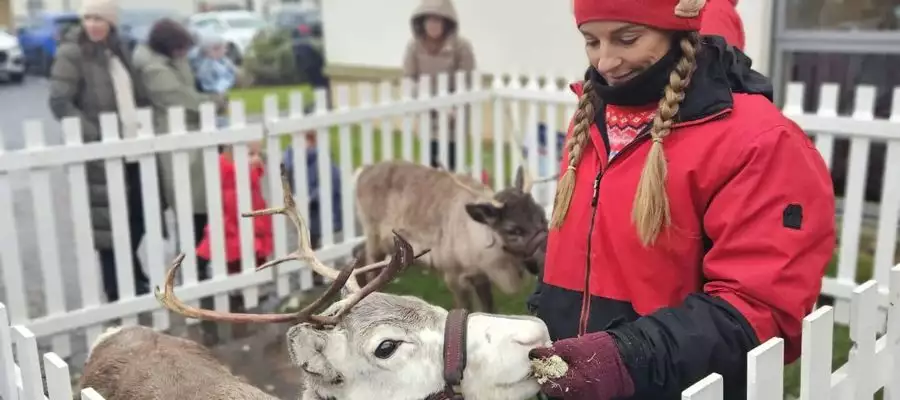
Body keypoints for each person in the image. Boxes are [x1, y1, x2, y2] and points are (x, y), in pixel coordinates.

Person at [526, 1, 836, 399]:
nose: (606, 61)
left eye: (627, 38)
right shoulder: (590, 118)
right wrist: (544, 307)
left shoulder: (759, 140)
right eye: (591, 41)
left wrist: (628, 357)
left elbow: (762, 309)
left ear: (678, 32)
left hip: (676, 385)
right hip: (576, 380)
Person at [48, 0, 164, 302]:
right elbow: (60, 101)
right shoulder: (71, 53)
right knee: (108, 223)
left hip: (132, 148)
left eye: (99, 18)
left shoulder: (119, 50)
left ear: (111, 21)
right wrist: (95, 135)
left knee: (139, 213)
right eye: (88, 18)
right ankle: (117, 287)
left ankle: (132, 274)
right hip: (100, 152)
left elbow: (135, 94)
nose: (93, 24)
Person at [132, 18, 228, 279]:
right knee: (191, 210)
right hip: (181, 143)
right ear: (169, 46)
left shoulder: (168, 62)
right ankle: (191, 266)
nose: (186, 53)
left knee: (201, 208)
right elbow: (183, 100)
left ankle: (199, 262)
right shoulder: (156, 70)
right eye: (182, 48)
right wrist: (215, 101)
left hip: (192, 140)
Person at [402, 0, 475, 171]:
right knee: (429, 167)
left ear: (447, 23)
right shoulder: (413, 47)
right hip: (427, 113)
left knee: (452, 166)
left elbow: (467, 81)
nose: (433, 25)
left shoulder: (461, 47)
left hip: (453, 117)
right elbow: (409, 78)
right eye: (429, 20)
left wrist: (455, 108)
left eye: (438, 20)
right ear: (422, 22)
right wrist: (421, 102)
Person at [195, 142, 273, 281]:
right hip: (234, 217)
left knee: (256, 250)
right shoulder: (226, 166)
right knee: (234, 253)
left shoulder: (243, 167)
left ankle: (255, 279)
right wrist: (248, 167)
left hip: (252, 213)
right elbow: (232, 184)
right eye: (250, 154)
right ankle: (235, 284)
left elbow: (254, 181)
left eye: (258, 154)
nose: (256, 158)